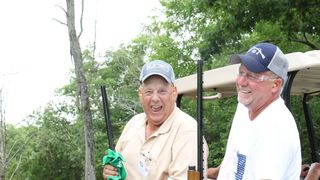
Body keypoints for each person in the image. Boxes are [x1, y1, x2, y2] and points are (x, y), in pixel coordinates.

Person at [207, 42, 301, 179]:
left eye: (252, 76)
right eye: (241, 73)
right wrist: (213, 173)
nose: (241, 82)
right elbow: (237, 156)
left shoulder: (276, 128)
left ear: (275, 85)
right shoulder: (245, 108)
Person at [102, 60, 209, 179]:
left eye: (162, 91)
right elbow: (116, 166)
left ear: (174, 93)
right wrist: (110, 171)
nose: (155, 98)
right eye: (149, 92)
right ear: (140, 95)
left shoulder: (187, 131)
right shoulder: (134, 122)